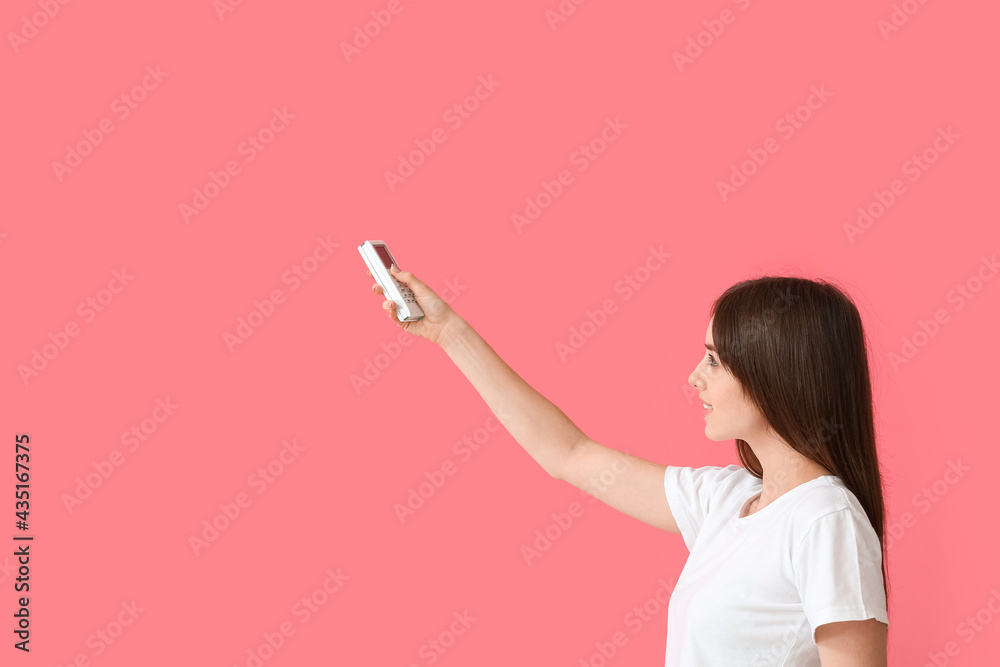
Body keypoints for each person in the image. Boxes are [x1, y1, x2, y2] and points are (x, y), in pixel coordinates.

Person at [367, 264, 889, 666]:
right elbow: (569, 454)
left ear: (773, 372)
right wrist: (449, 332)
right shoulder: (727, 501)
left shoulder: (824, 519)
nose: (694, 378)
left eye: (713, 359)